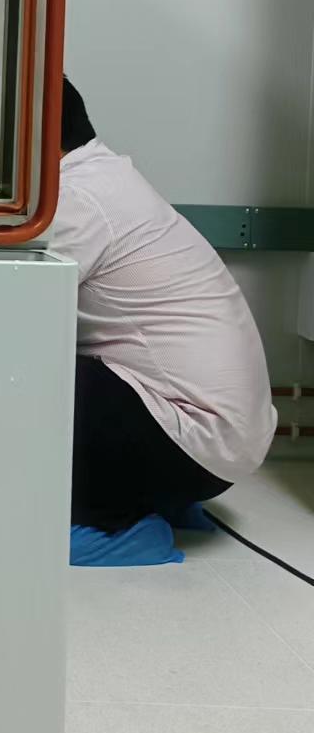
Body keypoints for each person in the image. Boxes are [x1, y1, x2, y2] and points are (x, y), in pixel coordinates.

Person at [51, 77, 276, 531]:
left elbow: (8, 308)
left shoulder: (79, 199)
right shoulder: (101, 178)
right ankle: (146, 497)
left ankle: (120, 527)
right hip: (220, 443)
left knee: (25, 377)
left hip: (193, 445)